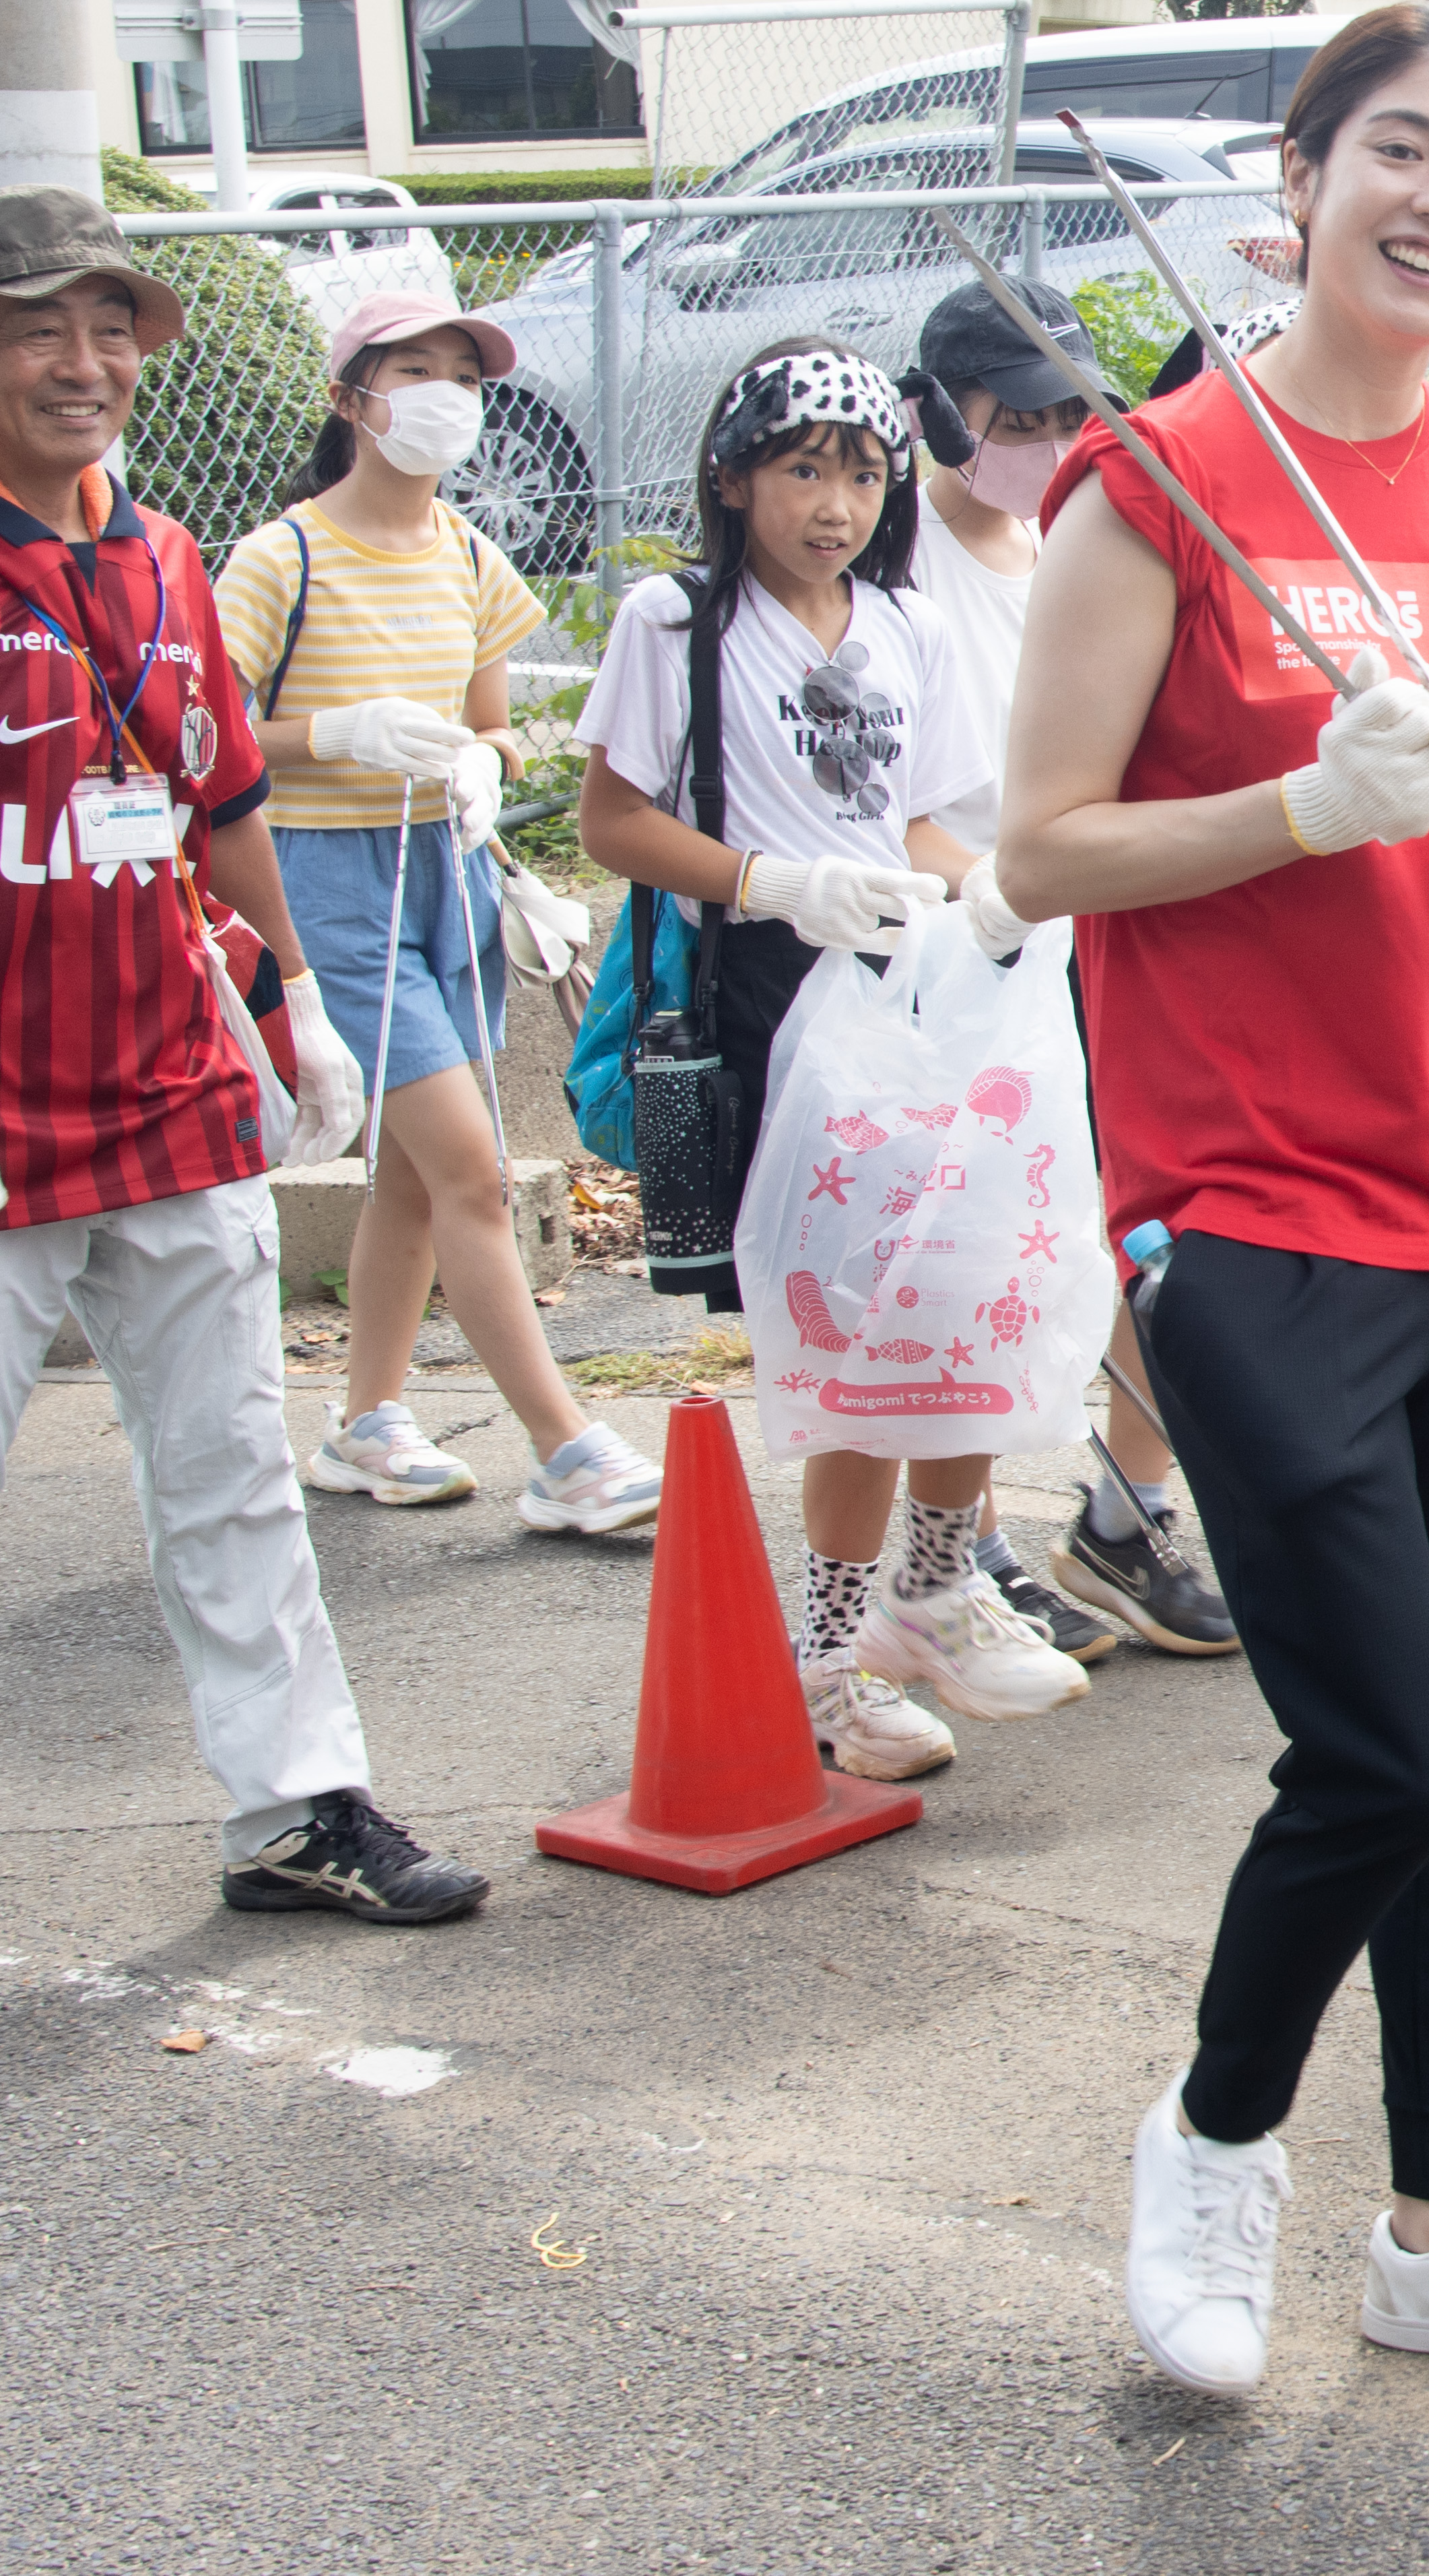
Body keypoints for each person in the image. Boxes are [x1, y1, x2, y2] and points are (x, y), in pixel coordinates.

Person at [1001, 0, 1429, 2393]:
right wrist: (1303, 808)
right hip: (1258, 1205)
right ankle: (1212, 2139)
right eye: (1400, 148)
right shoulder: (1152, 479)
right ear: (1295, 179)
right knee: (1380, 1749)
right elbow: (1040, 846)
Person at [0, 183, 482, 1924]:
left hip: (171, 1099)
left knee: (236, 1477)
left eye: (110, 327)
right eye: (43, 325)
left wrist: (287, 1005)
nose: (85, 360)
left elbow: (220, 804)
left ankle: (296, 1804)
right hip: (4, 1124)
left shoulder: (167, 560)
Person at [573, 338, 1086, 1786]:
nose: (834, 502)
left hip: (909, 1006)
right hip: (775, 1009)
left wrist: (977, 891)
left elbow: (919, 821)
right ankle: (827, 1653)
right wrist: (773, 882)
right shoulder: (673, 622)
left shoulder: (908, 626)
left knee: (970, 1286)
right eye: (803, 468)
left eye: (862, 471)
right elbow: (613, 822)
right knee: (855, 1341)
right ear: (733, 477)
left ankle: (935, 1583)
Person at [220, 291, 664, 1533]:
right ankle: (567, 1446)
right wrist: (332, 734)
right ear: (348, 396)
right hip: (327, 879)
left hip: (447, 870)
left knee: (416, 1182)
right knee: (469, 1170)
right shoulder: (281, 556)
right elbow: (204, 740)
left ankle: (365, 1426)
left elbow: (490, 729)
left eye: (462, 373)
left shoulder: (472, 553)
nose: (444, 395)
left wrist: (484, 765)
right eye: (412, 368)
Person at [898, 276, 1231, 1668]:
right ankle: (953, 1542)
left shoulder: (1080, 544)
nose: (1042, 437)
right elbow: (899, 802)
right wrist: (996, 897)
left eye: (1062, 408)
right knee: (972, 1267)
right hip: (968, 959)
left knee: (1154, 1244)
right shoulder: (896, 576)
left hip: (1100, 948)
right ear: (936, 414)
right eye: (1011, 414)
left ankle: (1125, 1509)